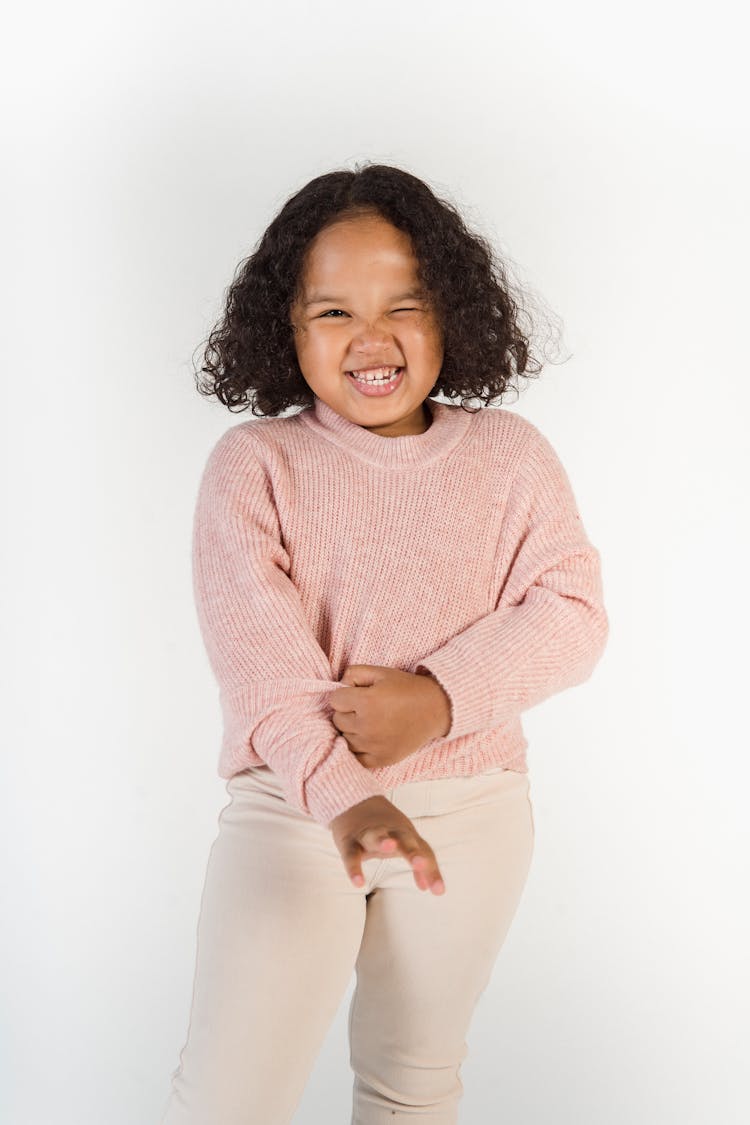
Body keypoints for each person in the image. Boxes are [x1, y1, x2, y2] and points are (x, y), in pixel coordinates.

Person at [159, 162, 609, 1125]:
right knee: (230, 1096)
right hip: (295, 806)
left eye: (404, 305)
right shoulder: (255, 467)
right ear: (286, 330)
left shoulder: (511, 456)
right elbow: (264, 667)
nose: (373, 339)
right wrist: (345, 794)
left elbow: (572, 612)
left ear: (452, 312)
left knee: (414, 1080)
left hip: (474, 811)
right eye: (332, 313)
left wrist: (437, 699)